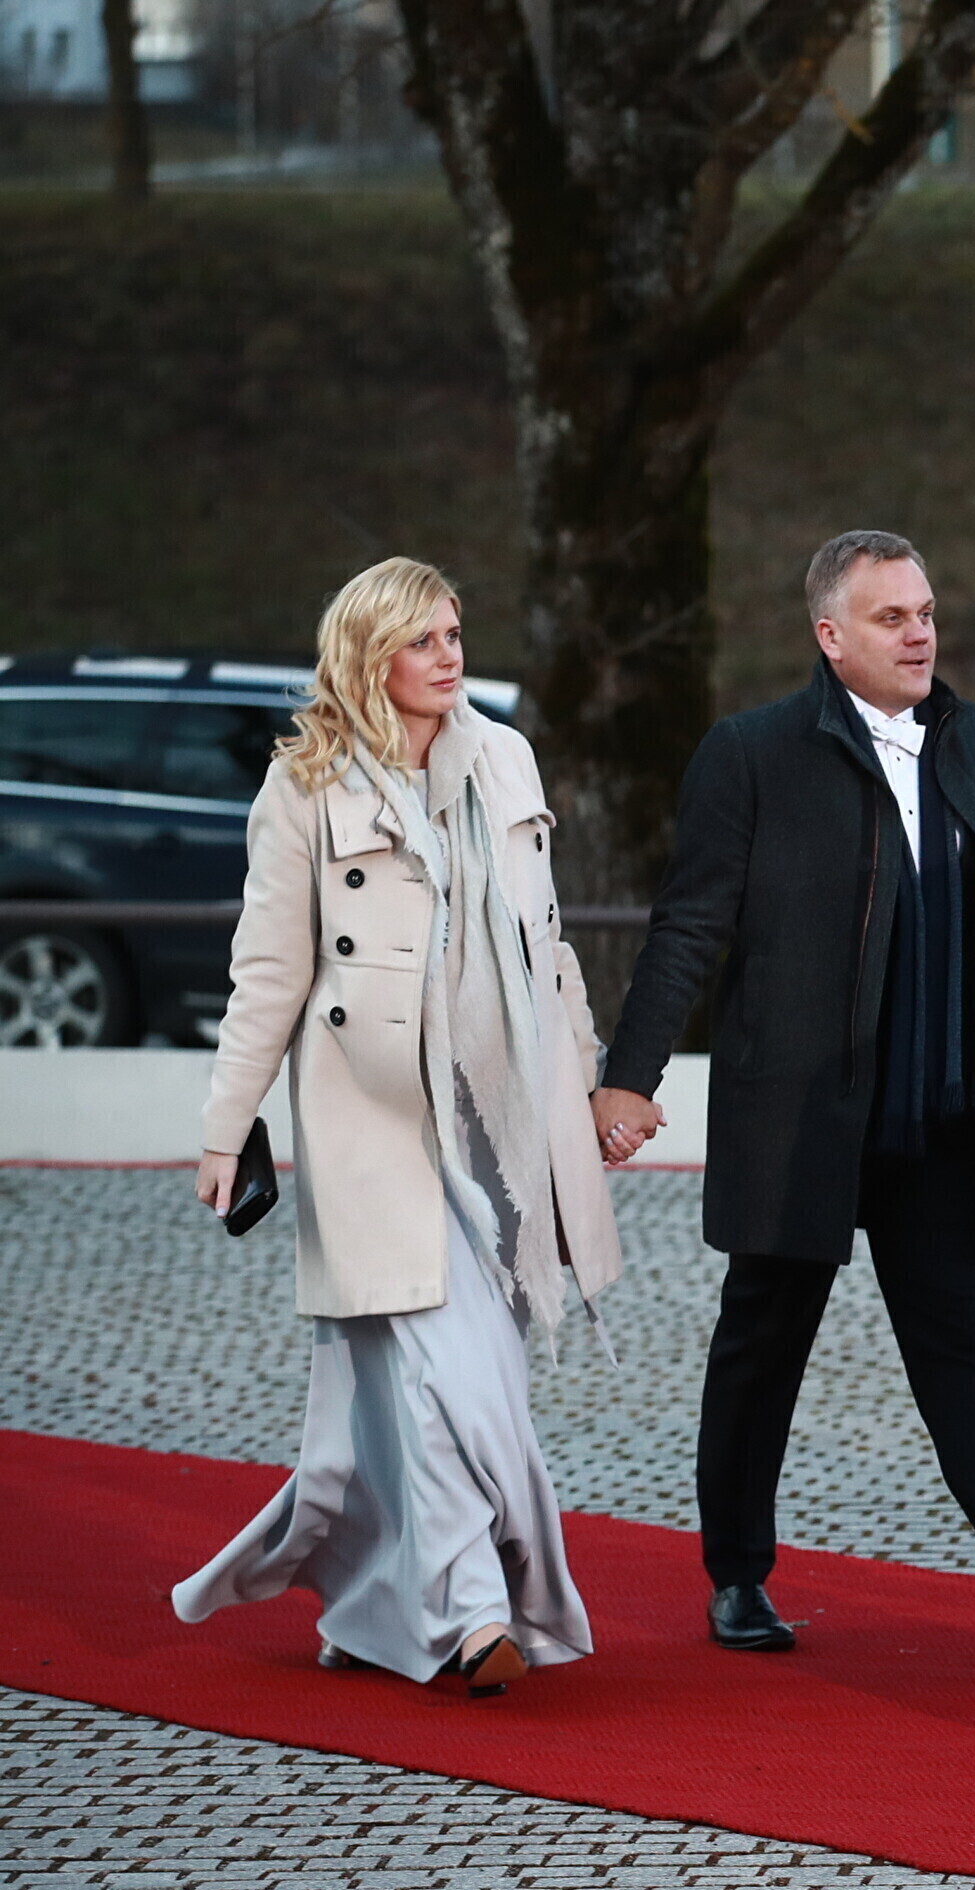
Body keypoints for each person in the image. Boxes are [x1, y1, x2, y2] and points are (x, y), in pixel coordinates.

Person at [588, 530, 975, 1668]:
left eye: (926, 612)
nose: (920, 633)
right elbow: (690, 924)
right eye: (892, 618)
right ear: (830, 636)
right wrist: (630, 1075)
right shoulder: (752, 754)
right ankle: (737, 1575)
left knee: (962, 1346)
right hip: (802, 1114)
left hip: (942, 1116)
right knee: (764, 1341)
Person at [178, 557, 622, 1699]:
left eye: (454, 633)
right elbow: (267, 971)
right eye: (422, 639)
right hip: (369, 1119)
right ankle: (478, 1615)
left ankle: (378, 1604)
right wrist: (227, 1127)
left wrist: (584, 1085)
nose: (448, 655)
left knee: (439, 1382)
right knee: (444, 1367)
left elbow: (549, 945)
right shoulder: (303, 786)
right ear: (370, 654)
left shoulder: (504, 758)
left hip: (497, 1113)